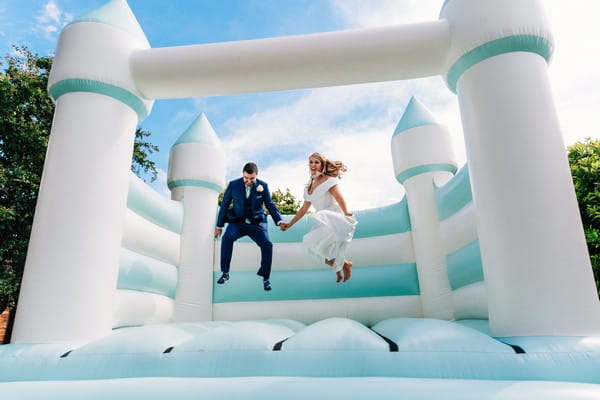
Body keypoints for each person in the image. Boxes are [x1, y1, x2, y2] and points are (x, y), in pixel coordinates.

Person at [280, 153, 357, 282]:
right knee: (314, 246)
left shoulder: (328, 181)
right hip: (322, 221)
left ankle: (342, 266)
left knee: (327, 245)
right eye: (311, 162)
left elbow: (339, 197)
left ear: (322, 165)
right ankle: (342, 266)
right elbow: (304, 209)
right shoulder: (309, 187)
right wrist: (290, 223)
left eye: (316, 162)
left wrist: (346, 212)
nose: (313, 165)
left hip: (333, 217)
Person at [215, 162, 283, 291]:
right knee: (227, 238)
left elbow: (270, 205)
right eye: (246, 178)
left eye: (251, 178)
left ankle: (266, 278)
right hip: (237, 221)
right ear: (243, 174)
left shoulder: (263, 186)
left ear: (256, 175)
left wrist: (279, 221)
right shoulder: (233, 185)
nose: (248, 181)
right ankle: (225, 272)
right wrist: (219, 226)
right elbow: (224, 204)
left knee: (267, 244)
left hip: (257, 223)